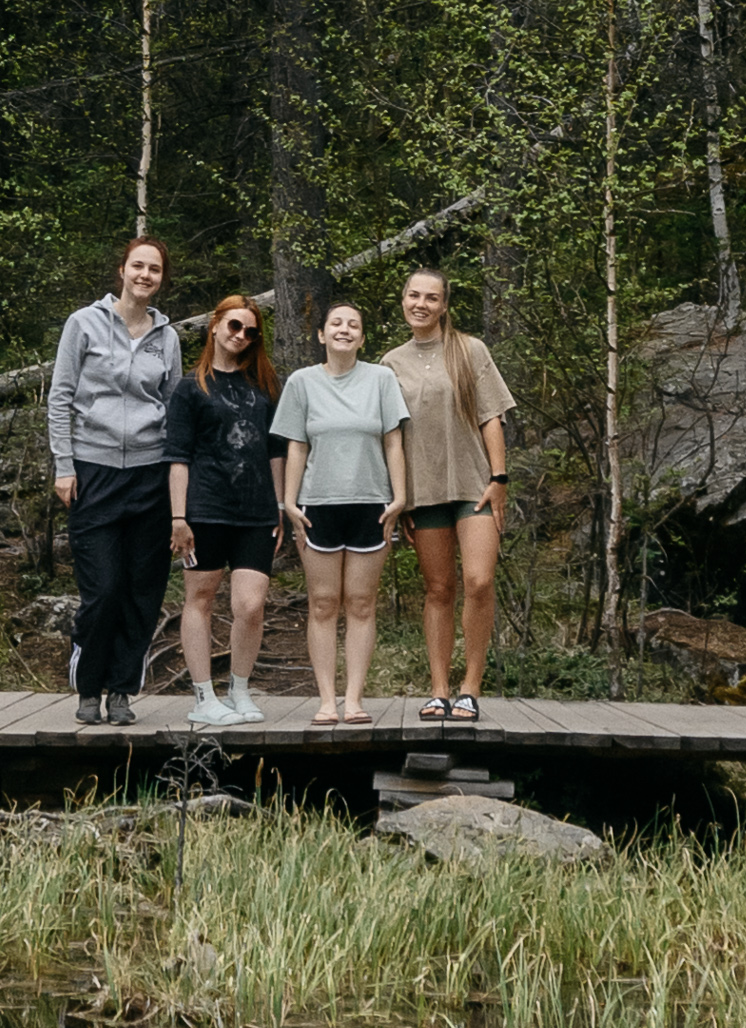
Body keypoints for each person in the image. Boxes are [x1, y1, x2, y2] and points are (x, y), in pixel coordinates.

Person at [48, 234, 182, 727]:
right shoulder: (83, 324)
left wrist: (175, 483)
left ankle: (123, 690)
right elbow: (60, 397)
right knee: (102, 590)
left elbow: (171, 411)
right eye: (138, 267)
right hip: (93, 473)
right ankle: (88, 689)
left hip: (149, 477)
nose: (145, 276)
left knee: (141, 590)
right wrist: (64, 464)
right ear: (122, 271)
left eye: (155, 270)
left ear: (161, 280)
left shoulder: (166, 337)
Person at [382, 266, 513, 725]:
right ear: (403, 300)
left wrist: (499, 478)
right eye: (413, 295)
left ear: (444, 305)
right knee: (439, 589)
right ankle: (439, 689)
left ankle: (470, 689)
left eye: (431, 297)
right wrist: (398, 499)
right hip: (424, 492)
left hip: (474, 486)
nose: (421, 304)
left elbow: (491, 416)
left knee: (478, 581)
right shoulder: (389, 363)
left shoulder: (469, 350)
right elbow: (389, 437)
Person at [271, 302, 408, 723]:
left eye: (354, 325)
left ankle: (354, 700)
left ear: (362, 338)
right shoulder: (302, 382)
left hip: (372, 503)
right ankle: (327, 700)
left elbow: (393, 442)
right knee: (324, 603)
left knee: (362, 603)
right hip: (318, 505)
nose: (344, 330)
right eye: (336, 323)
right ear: (321, 335)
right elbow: (295, 444)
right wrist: (289, 502)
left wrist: (399, 498)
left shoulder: (382, 379)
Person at [164, 290, 285, 728]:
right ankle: (202, 695)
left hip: (256, 512)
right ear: (215, 325)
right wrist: (178, 518)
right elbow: (177, 456)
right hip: (205, 509)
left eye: (250, 331)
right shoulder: (189, 388)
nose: (241, 335)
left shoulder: (264, 387)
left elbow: (276, 451)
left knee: (251, 604)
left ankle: (239, 688)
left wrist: (279, 507)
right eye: (234, 325)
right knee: (199, 598)